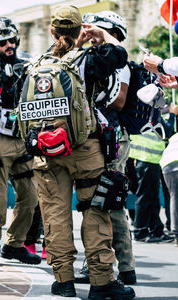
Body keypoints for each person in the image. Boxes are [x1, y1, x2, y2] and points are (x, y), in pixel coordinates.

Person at [27, 5, 135, 300]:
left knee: (54, 216)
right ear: (80, 31)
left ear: (52, 31)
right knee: (96, 211)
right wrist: (102, 35)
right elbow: (120, 55)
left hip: (46, 151)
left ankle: (63, 280)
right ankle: (101, 282)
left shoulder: (35, 64)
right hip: (84, 149)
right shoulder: (89, 60)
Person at [74, 11, 136, 285]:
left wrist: (87, 100)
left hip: (112, 137)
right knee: (100, 202)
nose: (89, 33)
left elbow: (119, 101)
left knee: (108, 201)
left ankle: (119, 267)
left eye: (95, 29)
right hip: (99, 136)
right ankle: (120, 267)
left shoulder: (117, 62)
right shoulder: (94, 57)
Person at [0, 17, 41, 266]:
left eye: (12, 40)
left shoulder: (26, 67)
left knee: (30, 197)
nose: (9, 45)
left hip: (22, 139)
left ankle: (14, 245)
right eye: (2, 41)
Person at [129, 103, 178, 242]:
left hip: (150, 158)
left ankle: (156, 229)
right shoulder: (152, 111)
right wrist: (173, 114)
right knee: (145, 196)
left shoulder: (145, 109)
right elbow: (166, 132)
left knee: (152, 197)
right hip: (146, 157)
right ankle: (140, 231)